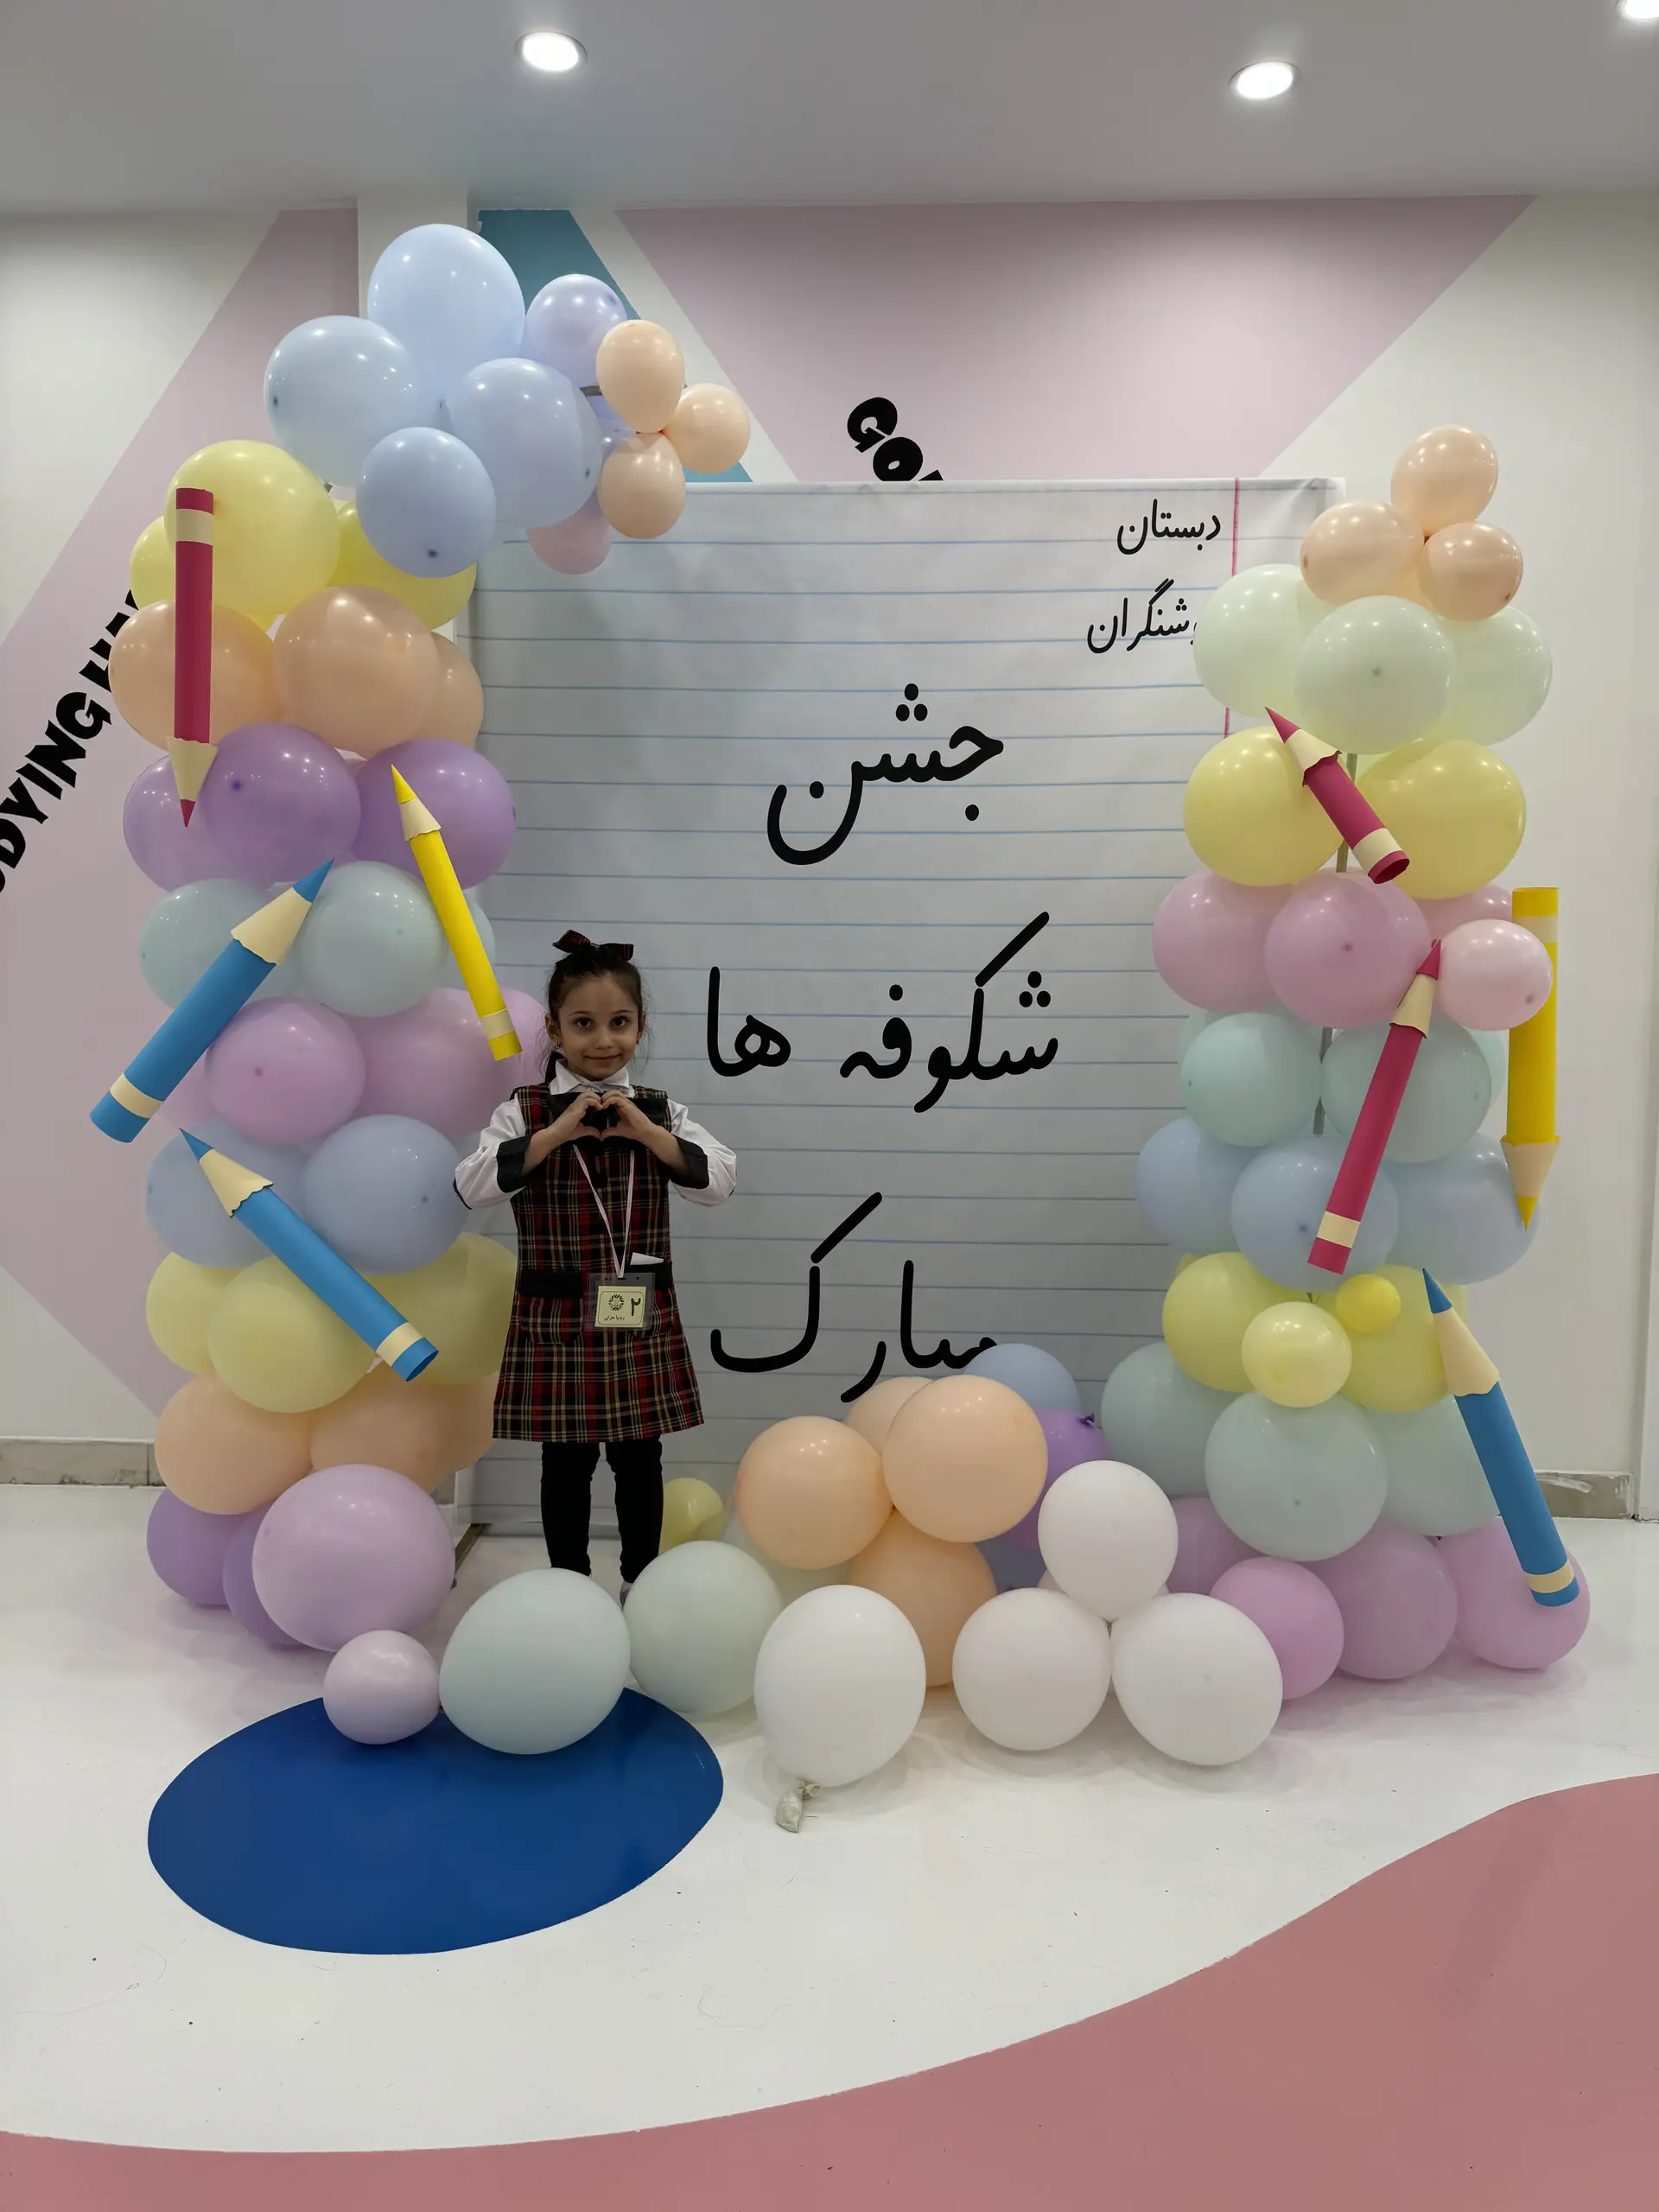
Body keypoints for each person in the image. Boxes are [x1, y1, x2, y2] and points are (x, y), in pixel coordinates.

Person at [454, 931, 736, 1589]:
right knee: (567, 1459)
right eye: (583, 1024)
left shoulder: (662, 1111)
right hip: (556, 1314)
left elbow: (720, 1181)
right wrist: (552, 1136)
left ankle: (643, 1582)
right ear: (555, 1029)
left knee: (640, 1456)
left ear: (639, 1026)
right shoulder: (523, 1112)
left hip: (635, 1306)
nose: (603, 1040)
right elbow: (470, 1186)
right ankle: (568, 1587)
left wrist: (650, 1134)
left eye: (620, 1022)